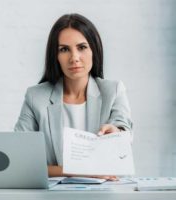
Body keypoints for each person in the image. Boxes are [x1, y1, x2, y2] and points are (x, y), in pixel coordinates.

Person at [14, 13, 133, 180]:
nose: (74, 58)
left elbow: (122, 127)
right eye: (64, 49)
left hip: (104, 193)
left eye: (82, 47)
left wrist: (117, 133)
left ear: (94, 50)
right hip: (52, 194)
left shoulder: (113, 91)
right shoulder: (35, 97)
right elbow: (19, 160)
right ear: (55, 57)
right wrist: (78, 171)